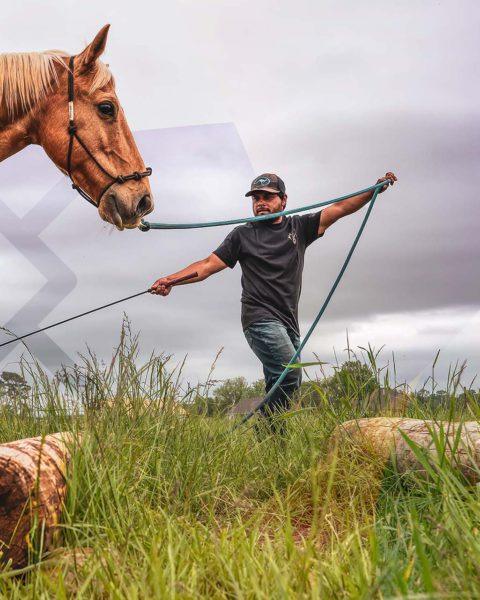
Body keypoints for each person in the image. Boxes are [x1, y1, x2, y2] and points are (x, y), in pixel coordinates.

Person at [150, 171, 397, 432]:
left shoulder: (299, 228)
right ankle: (264, 428)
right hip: (259, 319)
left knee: (281, 383)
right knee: (290, 373)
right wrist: (171, 280)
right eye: (256, 198)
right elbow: (208, 265)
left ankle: (272, 440)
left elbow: (339, 208)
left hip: (288, 322)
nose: (261, 203)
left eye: (267, 197)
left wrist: (373, 190)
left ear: (283, 200)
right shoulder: (242, 235)